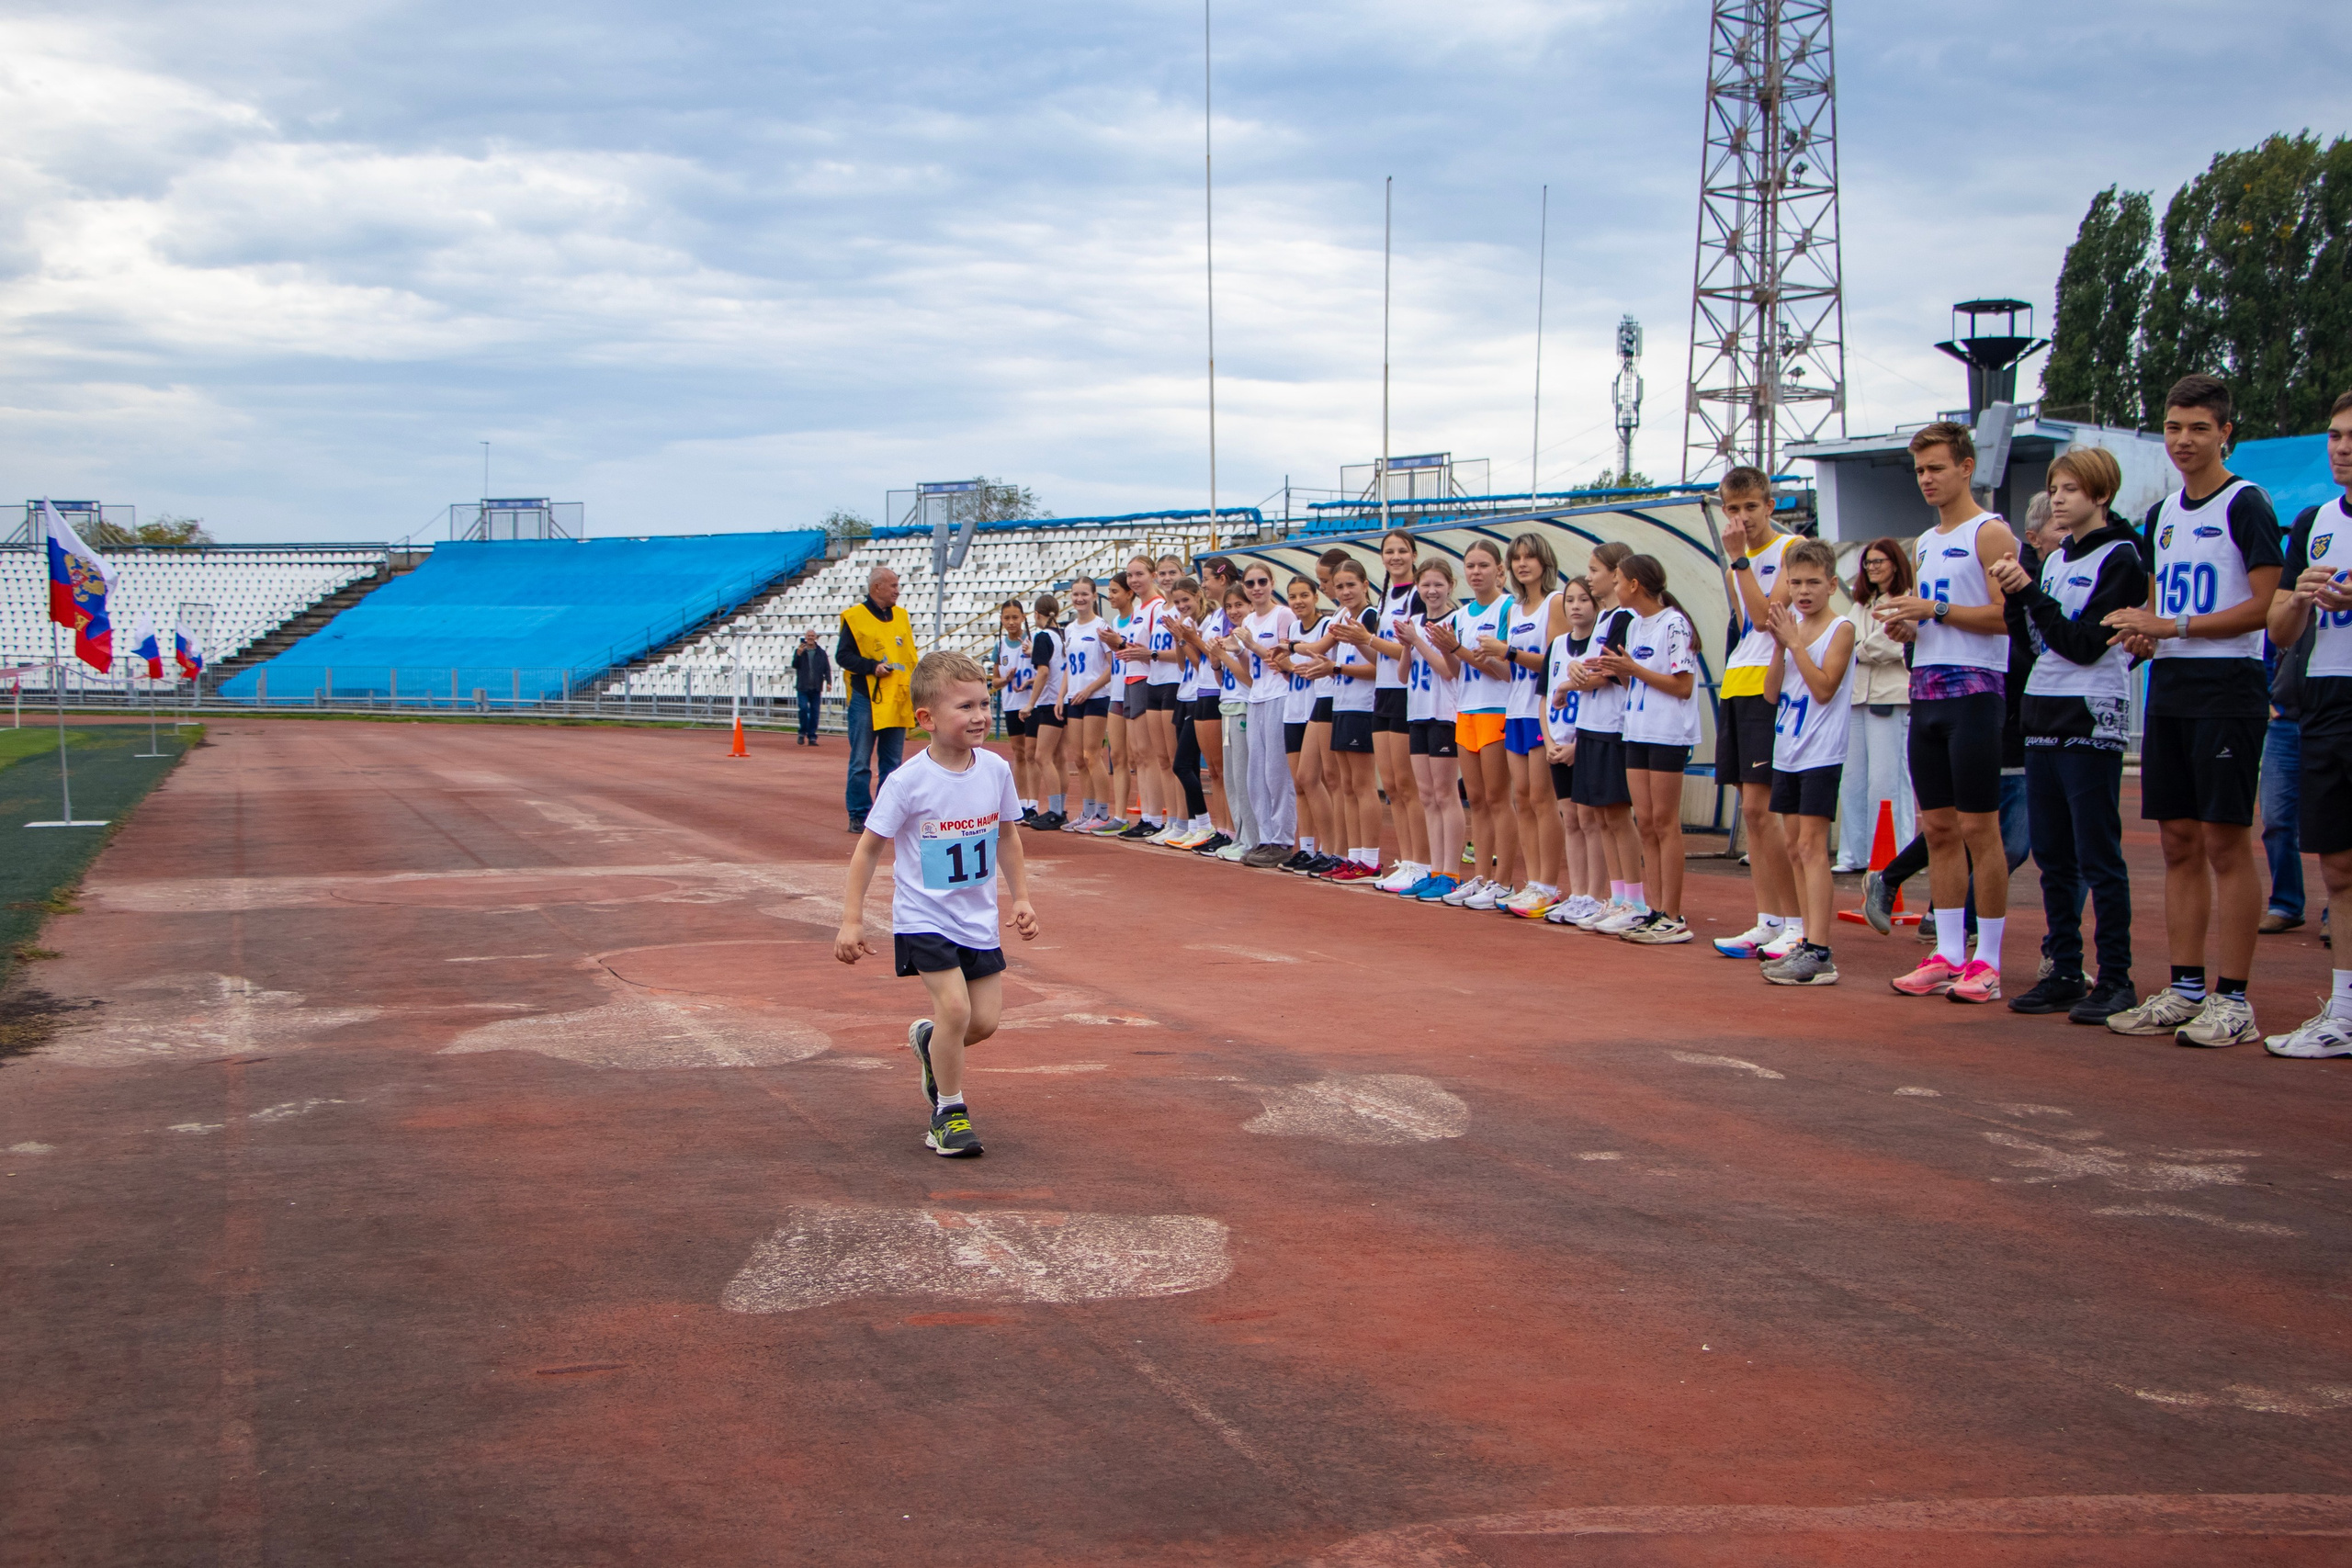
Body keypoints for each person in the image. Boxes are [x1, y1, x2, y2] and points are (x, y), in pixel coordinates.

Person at [2099, 374, 2283, 1046]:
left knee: (2224, 841)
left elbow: (2269, 603)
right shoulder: (2162, 514)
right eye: (2174, 427)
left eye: (2198, 427)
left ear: (2225, 431)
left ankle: (2234, 999)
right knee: (2178, 841)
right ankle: (2183, 988)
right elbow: (2160, 604)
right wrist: (2145, 634)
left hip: (2228, 686)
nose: (2183, 440)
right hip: (2172, 688)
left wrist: (2175, 625)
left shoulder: (2247, 502)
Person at [834, 650, 1038, 1158]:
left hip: (978, 919)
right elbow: (867, 850)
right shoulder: (907, 782)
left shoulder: (994, 769)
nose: (979, 716)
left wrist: (1022, 898)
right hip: (924, 918)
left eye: (984, 704)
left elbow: (1008, 837)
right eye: (964, 707)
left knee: (982, 1023)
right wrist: (851, 920)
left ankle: (931, 1044)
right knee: (953, 1007)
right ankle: (948, 1112)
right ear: (925, 719)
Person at [1991, 446, 2147, 1023]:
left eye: (2071, 490)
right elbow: (2035, 641)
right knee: (2053, 854)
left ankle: (2116, 978)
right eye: (2055, 488)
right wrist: (2016, 595)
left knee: (2096, 853)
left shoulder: (2121, 558)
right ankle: (2063, 968)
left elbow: (2083, 644)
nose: (2058, 499)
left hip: (2090, 712)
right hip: (2044, 709)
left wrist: (2030, 593)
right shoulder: (2055, 560)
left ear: (2100, 496)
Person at [1875, 422, 2020, 1003]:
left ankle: (1987, 960)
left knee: (1979, 829)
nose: (1927, 479)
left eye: (1936, 467)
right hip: (1928, 692)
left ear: (1966, 467)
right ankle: (1949, 951)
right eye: (1919, 471)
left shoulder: (1991, 532)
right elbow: (1935, 619)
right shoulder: (1926, 541)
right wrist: (1910, 625)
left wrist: (1934, 608)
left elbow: (2009, 616)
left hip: (1977, 692)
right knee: (1936, 828)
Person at [2261, 387, 2352, 1057]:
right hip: (2326, 697)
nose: (2342, 447)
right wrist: (2303, 599)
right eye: (2335, 435)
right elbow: (2281, 625)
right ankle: (2344, 1011)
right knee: (2339, 865)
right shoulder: (2315, 520)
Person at [1710, 467, 1804, 962]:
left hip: (1772, 684)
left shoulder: (1790, 551)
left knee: (1772, 813)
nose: (1742, 517)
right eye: (1733, 509)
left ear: (1770, 505)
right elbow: (1745, 623)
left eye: (1751, 507)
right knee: (1750, 811)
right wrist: (1739, 564)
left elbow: (1771, 619)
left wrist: (1742, 562)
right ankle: (1768, 919)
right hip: (1738, 681)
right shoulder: (1736, 565)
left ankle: (1796, 921)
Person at [1758, 539, 1857, 984]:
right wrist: (1781, 646)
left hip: (1820, 751)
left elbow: (1823, 688)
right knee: (1794, 847)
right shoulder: (1791, 630)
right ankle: (1804, 939)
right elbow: (1770, 693)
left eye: (1813, 582)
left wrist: (1796, 643)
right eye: (1795, 582)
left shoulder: (1841, 629)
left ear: (1832, 584)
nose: (1802, 591)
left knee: (1813, 847)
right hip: (1789, 749)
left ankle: (1820, 950)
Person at [1601, 552, 1702, 944]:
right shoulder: (1636, 625)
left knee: (1664, 822)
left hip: (1668, 732)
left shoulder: (1673, 623)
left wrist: (1633, 670)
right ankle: (1655, 909)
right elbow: (1637, 681)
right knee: (1645, 821)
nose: (1613, 586)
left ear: (1634, 585)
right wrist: (1618, 673)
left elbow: (1683, 685)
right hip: (1637, 729)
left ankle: (1673, 914)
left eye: (1618, 579)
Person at [1422, 540, 1515, 908]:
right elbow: (1453, 671)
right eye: (1471, 565)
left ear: (1499, 571)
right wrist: (1444, 648)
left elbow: (1506, 669)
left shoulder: (1508, 607)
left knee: (1497, 798)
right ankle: (1480, 877)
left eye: (1484, 565)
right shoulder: (1460, 616)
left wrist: (1458, 649)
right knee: (1475, 798)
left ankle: (1503, 879)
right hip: (1467, 710)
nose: (1476, 572)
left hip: (1496, 709)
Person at [1566, 541, 1646, 932]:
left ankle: (1634, 899)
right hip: (1591, 723)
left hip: (1614, 725)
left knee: (1617, 814)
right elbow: (1590, 668)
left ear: (1616, 573)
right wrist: (1577, 678)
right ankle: (1616, 897)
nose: (1590, 576)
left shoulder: (1627, 617)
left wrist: (1582, 679)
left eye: (1595, 569)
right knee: (1600, 814)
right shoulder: (1604, 617)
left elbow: (1613, 670)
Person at [1495, 534, 1566, 918]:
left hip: (1541, 710)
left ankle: (1548, 884)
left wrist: (1508, 651)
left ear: (1544, 562)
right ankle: (1533, 881)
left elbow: (1555, 663)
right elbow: (1508, 667)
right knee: (1521, 797)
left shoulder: (1554, 603)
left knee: (1541, 798)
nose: (1523, 564)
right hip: (1515, 708)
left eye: (1530, 557)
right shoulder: (1514, 609)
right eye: (1517, 558)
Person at [1838, 537, 1916, 873]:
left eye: (1879, 561)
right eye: (1868, 563)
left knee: (1886, 780)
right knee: (1852, 779)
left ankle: (1892, 856)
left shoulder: (1908, 601)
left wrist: (1858, 650)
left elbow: (1892, 645)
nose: (1872, 568)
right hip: (1857, 698)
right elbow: (1847, 638)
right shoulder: (1861, 604)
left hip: (1891, 697)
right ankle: (1853, 854)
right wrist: (1860, 648)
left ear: (1896, 564)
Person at [1396, 558, 1465, 900]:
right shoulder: (1416, 622)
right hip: (1418, 712)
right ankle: (1435, 868)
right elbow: (1402, 675)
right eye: (1426, 585)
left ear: (1450, 585)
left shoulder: (1454, 621)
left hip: (1444, 713)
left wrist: (1418, 640)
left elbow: (1448, 670)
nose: (1432, 591)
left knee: (1444, 793)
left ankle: (1450, 871)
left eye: (1438, 584)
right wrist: (1407, 644)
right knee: (1426, 795)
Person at [1542, 574, 1608, 926]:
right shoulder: (1556, 646)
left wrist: (1575, 747)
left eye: (1584, 599)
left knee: (1590, 819)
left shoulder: (1600, 644)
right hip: (1557, 741)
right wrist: (1550, 742)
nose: (1576, 606)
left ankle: (1596, 894)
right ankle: (1578, 892)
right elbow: (1543, 698)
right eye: (1570, 600)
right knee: (1570, 820)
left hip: (1584, 743)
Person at [1365, 530, 1430, 891]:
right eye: (1389, 551)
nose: (1395, 557)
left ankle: (1421, 861)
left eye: (1402, 551)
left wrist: (1370, 640)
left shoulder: (1419, 596)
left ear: (1414, 554)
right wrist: (1364, 644)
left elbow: (1413, 650)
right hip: (1383, 692)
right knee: (1390, 785)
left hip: (1408, 693)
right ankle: (1407, 860)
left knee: (1408, 785)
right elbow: (1378, 654)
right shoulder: (1386, 595)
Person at [836, 564, 919, 833]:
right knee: (860, 761)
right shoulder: (854, 617)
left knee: (892, 764)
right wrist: (872, 666)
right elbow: (843, 656)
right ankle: (859, 814)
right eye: (893, 586)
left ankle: (886, 815)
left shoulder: (902, 616)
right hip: (866, 698)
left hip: (896, 697)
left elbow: (909, 656)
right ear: (877, 588)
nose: (897, 590)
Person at [1236, 563, 1302, 868]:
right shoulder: (1249, 618)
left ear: (1272, 582)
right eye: (1250, 583)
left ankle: (1282, 839)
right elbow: (1251, 665)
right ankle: (1265, 836)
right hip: (1258, 695)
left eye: (1262, 581)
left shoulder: (1283, 615)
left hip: (1279, 694)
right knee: (1256, 772)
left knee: (1277, 771)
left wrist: (1250, 644)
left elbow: (1282, 658)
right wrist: (1236, 651)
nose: (1257, 587)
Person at [2260, 626, 2312, 933]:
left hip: (2336, 718)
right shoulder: (2290, 590)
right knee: (2276, 817)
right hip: (2285, 721)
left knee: (2340, 818)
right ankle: (2286, 903)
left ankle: (2338, 911)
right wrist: (2269, 699)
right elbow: (2266, 648)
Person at [1057, 576, 1116, 832]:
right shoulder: (1069, 629)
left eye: (1084, 594)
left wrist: (1089, 689)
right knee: (1079, 759)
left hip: (1096, 697)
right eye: (1075, 594)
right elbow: (1069, 668)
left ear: (1094, 596)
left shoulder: (1101, 627)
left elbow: (1112, 667)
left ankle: (1103, 813)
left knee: (1092, 755)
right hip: (1074, 698)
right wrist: (1062, 696)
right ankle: (1088, 810)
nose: (1079, 599)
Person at [1018, 593, 1068, 829]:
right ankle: (1060, 808)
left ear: (1037, 614)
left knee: (1042, 756)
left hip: (1049, 701)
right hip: (1064, 698)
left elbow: (1044, 672)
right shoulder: (1061, 635)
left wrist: (1030, 703)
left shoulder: (1042, 636)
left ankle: (1056, 811)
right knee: (1058, 758)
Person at [988, 600, 1035, 814]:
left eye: (1015, 617)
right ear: (1001, 620)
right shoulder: (1000, 645)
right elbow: (995, 681)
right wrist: (1006, 679)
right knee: (1019, 752)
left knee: (1032, 753)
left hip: (1031, 704)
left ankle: (1033, 801)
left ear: (1023, 618)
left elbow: (1043, 672)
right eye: (1007, 618)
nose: (1011, 622)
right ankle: (1021, 800)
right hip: (1011, 704)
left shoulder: (1032, 641)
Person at [791, 628, 831, 746]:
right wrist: (798, 655)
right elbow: (795, 665)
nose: (810, 637)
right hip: (803, 687)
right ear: (805, 637)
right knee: (803, 709)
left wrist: (829, 682)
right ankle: (802, 732)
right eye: (808, 635)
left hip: (816, 687)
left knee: (815, 713)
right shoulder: (800, 651)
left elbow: (826, 668)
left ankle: (812, 736)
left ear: (816, 637)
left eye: (812, 635)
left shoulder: (821, 652)